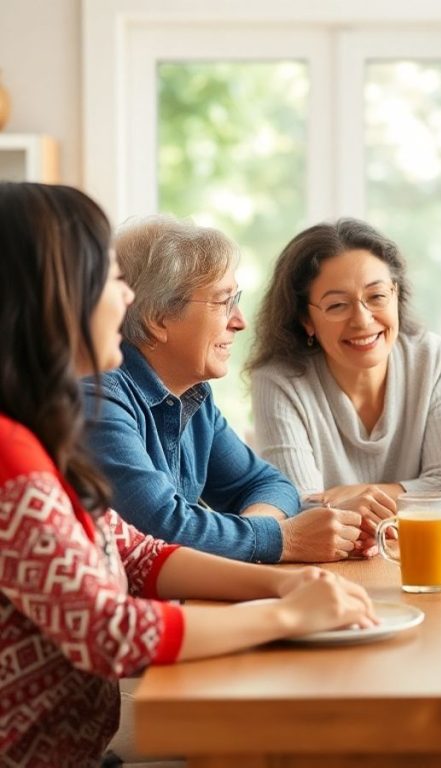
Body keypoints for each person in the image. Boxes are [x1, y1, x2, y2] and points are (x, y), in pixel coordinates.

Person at [0, 182, 376, 767]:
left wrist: (283, 582)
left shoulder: (37, 434)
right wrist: (283, 610)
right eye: (109, 279)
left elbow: (139, 552)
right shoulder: (11, 452)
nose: (124, 298)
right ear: (57, 295)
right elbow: (108, 632)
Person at [81, 215, 372, 563]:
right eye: (223, 302)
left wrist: (261, 535)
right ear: (157, 318)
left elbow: (268, 485)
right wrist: (284, 538)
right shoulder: (98, 399)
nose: (240, 321)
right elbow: (164, 530)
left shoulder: (193, 395)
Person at [247, 218, 441, 533]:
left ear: (396, 294)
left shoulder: (431, 358)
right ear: (306, 319)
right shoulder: (278, 380)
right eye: (337, 305)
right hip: (327, 567)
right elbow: (295, 508)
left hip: (420, 555)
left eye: (377, 296)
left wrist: (361, 496)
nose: (362, 320)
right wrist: (414, 495)